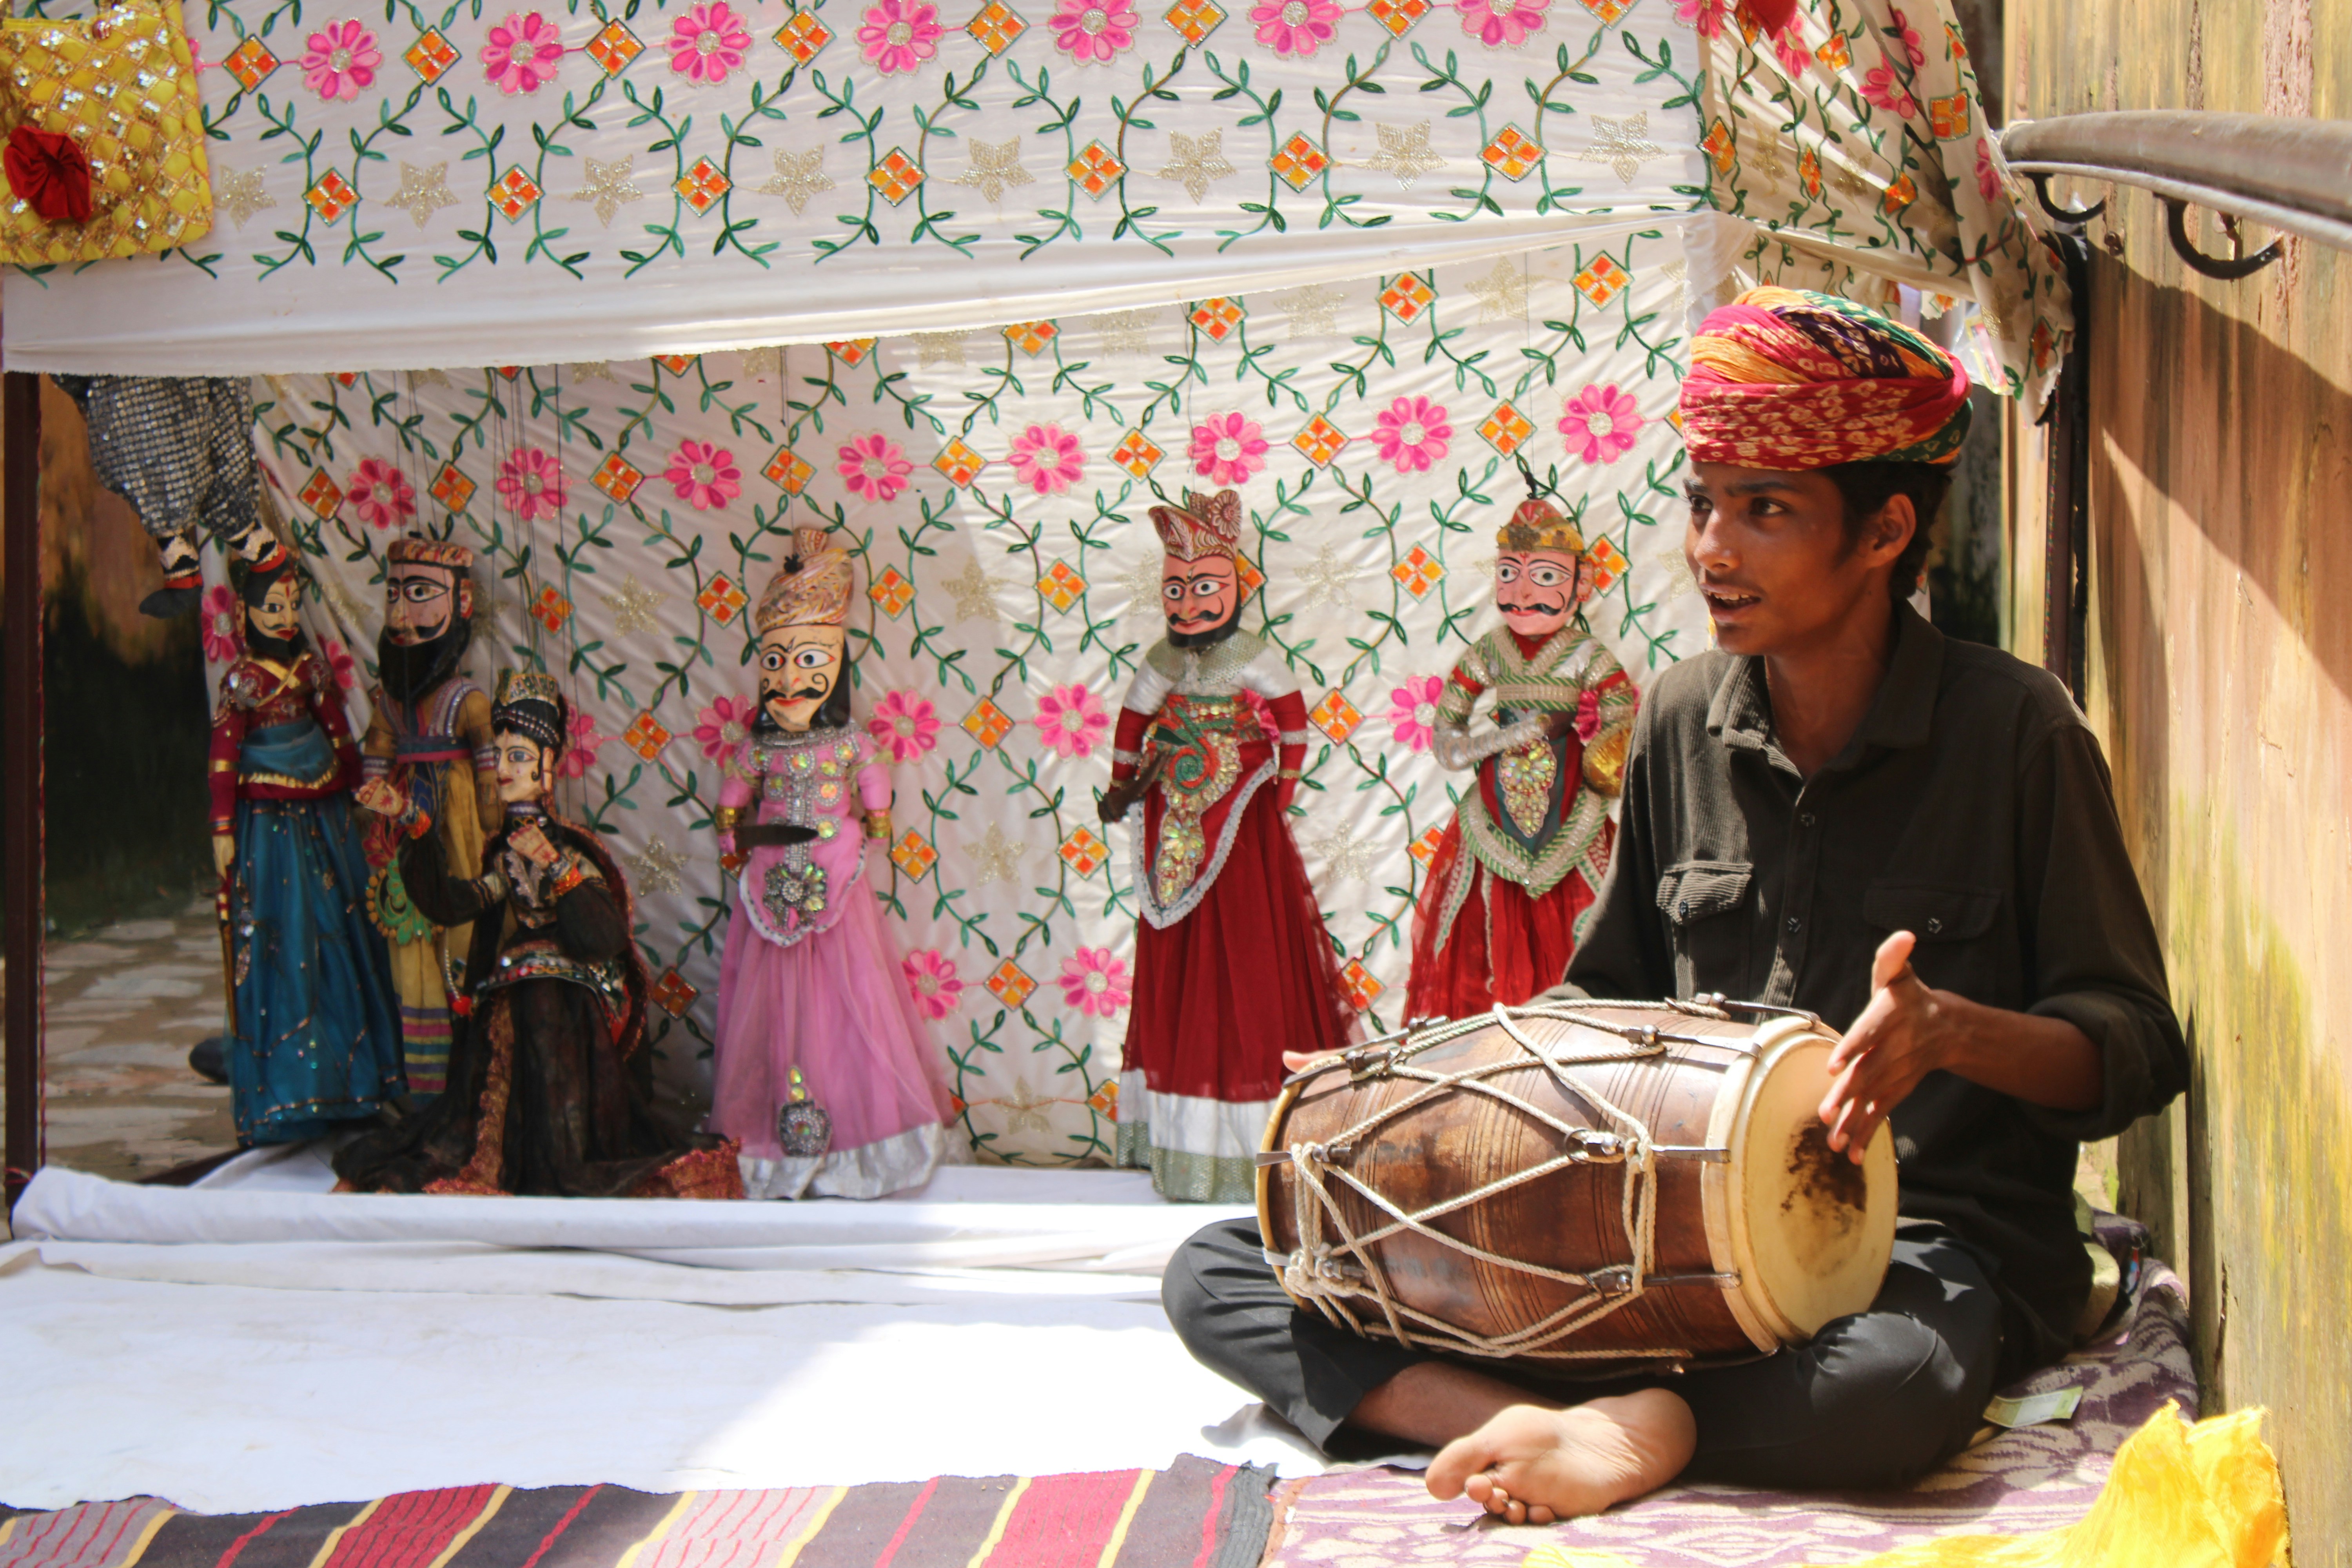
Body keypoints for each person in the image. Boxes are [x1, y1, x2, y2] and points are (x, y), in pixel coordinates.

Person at [1162, 288, 2189, 1521]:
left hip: (1920, 1249)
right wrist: (1436, 1089)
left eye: (1766, 512)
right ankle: (1576, 1424)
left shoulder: (2018, 733)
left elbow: (2138, 1046)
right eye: (1702, 503)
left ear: (1884, 532)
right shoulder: (1678, 717)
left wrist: (1954, 1034)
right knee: (1224, 1267)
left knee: (1899, 1383)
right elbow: (1609, 993)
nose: (1712, 550)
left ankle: (1630, 1421)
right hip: (1666, 1238)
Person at [332, 670, 744, 1199]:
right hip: (512, 986)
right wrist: (414, 821)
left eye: (520, 756)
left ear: (549, 764)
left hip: (571, 995)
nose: (504, 769)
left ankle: (558, 1153)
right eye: (499, 755)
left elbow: (604, 934)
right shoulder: (503, 851)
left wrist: (557, 867)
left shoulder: (572, 847)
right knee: (515, 1003)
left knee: (544, 997)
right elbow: (457, 903)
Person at [1099, 488, 1356, 1202]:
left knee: (1248, 952)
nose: (1189, 605)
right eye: (1175, 590)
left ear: (1238, 587)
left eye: (1205, 587)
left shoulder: (1252, 653)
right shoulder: (1162, 656)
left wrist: (1281, 789)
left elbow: (1294, 722)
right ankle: (1184, 1138)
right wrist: (1123, 785)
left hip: (1241, 818)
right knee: (1180, 960)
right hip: (1170, 819)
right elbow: (1130, 722)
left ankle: (1257, 1135)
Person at [708, 528, 951, 1199]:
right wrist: (730, 835)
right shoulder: (758, 749)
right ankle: (777, 1143)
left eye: (807, 661)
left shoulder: (846, 739)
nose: (788, 681)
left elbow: (874, 782)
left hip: (836, 878)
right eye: (775, 665)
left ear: (836, 667)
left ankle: (853, 1139)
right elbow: (734, 798)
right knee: (772, 1005)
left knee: (851, 1004)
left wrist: (876, 819)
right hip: (770, 881)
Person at [1406, 477, 1639, 1019]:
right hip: (1492, 814)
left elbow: (1622, 710)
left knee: (1587, 921)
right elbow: (1447, 743)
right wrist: (1508, 737)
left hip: (1572, 810)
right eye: (1508, 574)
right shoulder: (1489, 651)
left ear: (1581, 585)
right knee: (1481, 943)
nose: (1522, 592)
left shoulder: (1584, 652)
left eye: (1546, 577)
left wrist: (1607, 755)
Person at [207, 555, 405, 1143]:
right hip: (267, 828)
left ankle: (356, 1081)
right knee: (281, 940)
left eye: (292, 606)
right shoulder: (243, 681)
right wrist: (221, 829)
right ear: (245, 613)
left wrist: (360, 790)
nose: (286, 617)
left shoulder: (310, 671)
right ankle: (287, 1092)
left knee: (340, 936)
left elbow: (340, 734)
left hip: (326, 817)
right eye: (274, 607)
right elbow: (222, 759)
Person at [354, 537, 501, 1101]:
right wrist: (372, 817)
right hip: (402, 830)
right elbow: (375, 758)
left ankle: (473, 1075)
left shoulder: (468, 701)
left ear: (461, 603)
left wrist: (494, 828)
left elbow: (489, 776)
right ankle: (427, 1087)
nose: (400, 615)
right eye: (393, 594)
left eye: (420, 595)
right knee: (411, 937)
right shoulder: (389, 704)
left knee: (463, 930)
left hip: (459, 826)